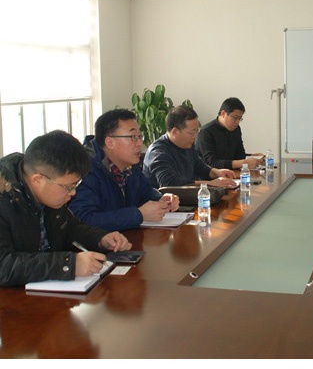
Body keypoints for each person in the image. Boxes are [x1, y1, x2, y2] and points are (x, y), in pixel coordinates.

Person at [0, 130, 132, 287]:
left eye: (75, 185)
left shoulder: (48, 193)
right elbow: (3, 265)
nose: (73, 193)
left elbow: (69, 228)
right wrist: (69, 264)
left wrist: (100, 239)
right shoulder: (5, 198)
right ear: (38, 180)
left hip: (45, 289)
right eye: (68, 187)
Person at [69, 109, 179, 232]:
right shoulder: (84, 170)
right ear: (110, 142)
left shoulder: (131, 164)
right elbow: (83, 219)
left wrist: (161, 199)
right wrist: (138, 215)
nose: (139, 143)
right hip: (101, 243)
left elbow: (145, 192)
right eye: (133, 137)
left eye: (139, 136)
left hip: (128, 238)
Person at [142, 105, 238, 188]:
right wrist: (209, 184)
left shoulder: (187, 144)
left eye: (196, 131)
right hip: (164, 202)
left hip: (186, 198)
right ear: (175, 132)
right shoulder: (157, 152)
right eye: (191, 133)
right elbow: (169, 183)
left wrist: (216, 172)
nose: (195, 136)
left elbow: (198, 166)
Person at [195, 97, 264, 169]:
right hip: (208, 175)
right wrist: (244, 163)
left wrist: (253, 157)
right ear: (223, 113)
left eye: (240, 118)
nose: (237, 122)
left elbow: (239, 156)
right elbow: (212, 163)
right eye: (235, 118)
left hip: (230, 173)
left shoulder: (236, 129)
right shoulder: (206, 132)